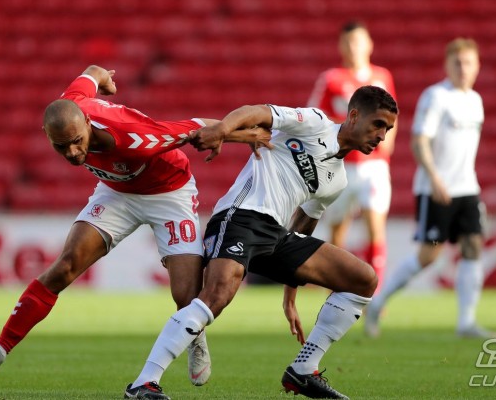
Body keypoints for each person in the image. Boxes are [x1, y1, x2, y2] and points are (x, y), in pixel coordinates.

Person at [0, 65, 271, 392]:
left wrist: (246, 135)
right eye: (61, 147)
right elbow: (92, 71)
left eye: (78, 142)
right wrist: (104, 79)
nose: (73, 153)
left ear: (89, 125)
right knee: (64, 267)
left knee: (185, 295)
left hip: (169, 193)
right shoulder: (71, 103)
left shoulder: (135, 139)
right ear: (47, 134)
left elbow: (197, 127)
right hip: (116, 192)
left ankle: (196, 336)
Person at [124, 85, 398, 400]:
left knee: (363, 279)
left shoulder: (337, 179)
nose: (382, 135)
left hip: (277, 235)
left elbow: (304, 225)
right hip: (240, 216)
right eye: (378, 124)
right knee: (217, 296)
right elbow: (256, 111)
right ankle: (142, 384)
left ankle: (303, 370)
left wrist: (290, 291)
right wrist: (222, 130)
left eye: (387, 129)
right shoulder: (315, 122)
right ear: (353, 115)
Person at [364, 38, 496, 339]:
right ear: (447, 65)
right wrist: (435, 178)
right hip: (435, 187)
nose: (463, 69)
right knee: (429, 256)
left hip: (467, 187)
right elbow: (419, 140)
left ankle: (466, 322)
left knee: (473, 245)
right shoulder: (436, 97)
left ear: (477, 66)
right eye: (458, 63)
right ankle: (378, 303)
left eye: (468, 63)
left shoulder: (475, 101)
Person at [308, 20, 397, 293]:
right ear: (340, 46)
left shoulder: (382, 78)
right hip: (341, 167)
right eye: (348, 42)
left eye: (358, 41)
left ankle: (374, 295)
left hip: (374, 167)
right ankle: (337, 291)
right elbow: (316, 118)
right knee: (337, 234)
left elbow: (394, 115)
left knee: (375, 228)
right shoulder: (331, 79)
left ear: (369, 44)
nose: (353, 47)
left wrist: (385, 144)